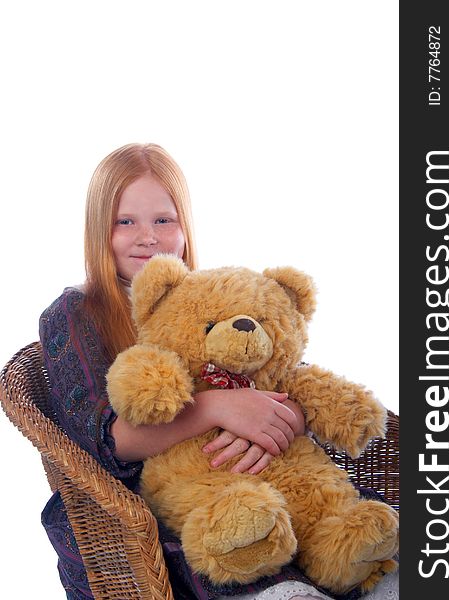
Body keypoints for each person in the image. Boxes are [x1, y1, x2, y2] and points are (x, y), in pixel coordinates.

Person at [39, 143, 398, 600]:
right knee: (265, 568)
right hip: (163, 506)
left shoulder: (200, 294)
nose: (147, 237)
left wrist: (287, 417)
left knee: (373, 553)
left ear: (184, 226)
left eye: (163, 221)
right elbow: (105, 442)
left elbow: (278, 373)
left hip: (269, 478)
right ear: (97, 229)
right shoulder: (75, 313)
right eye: (124, 221)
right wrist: (216, 407)